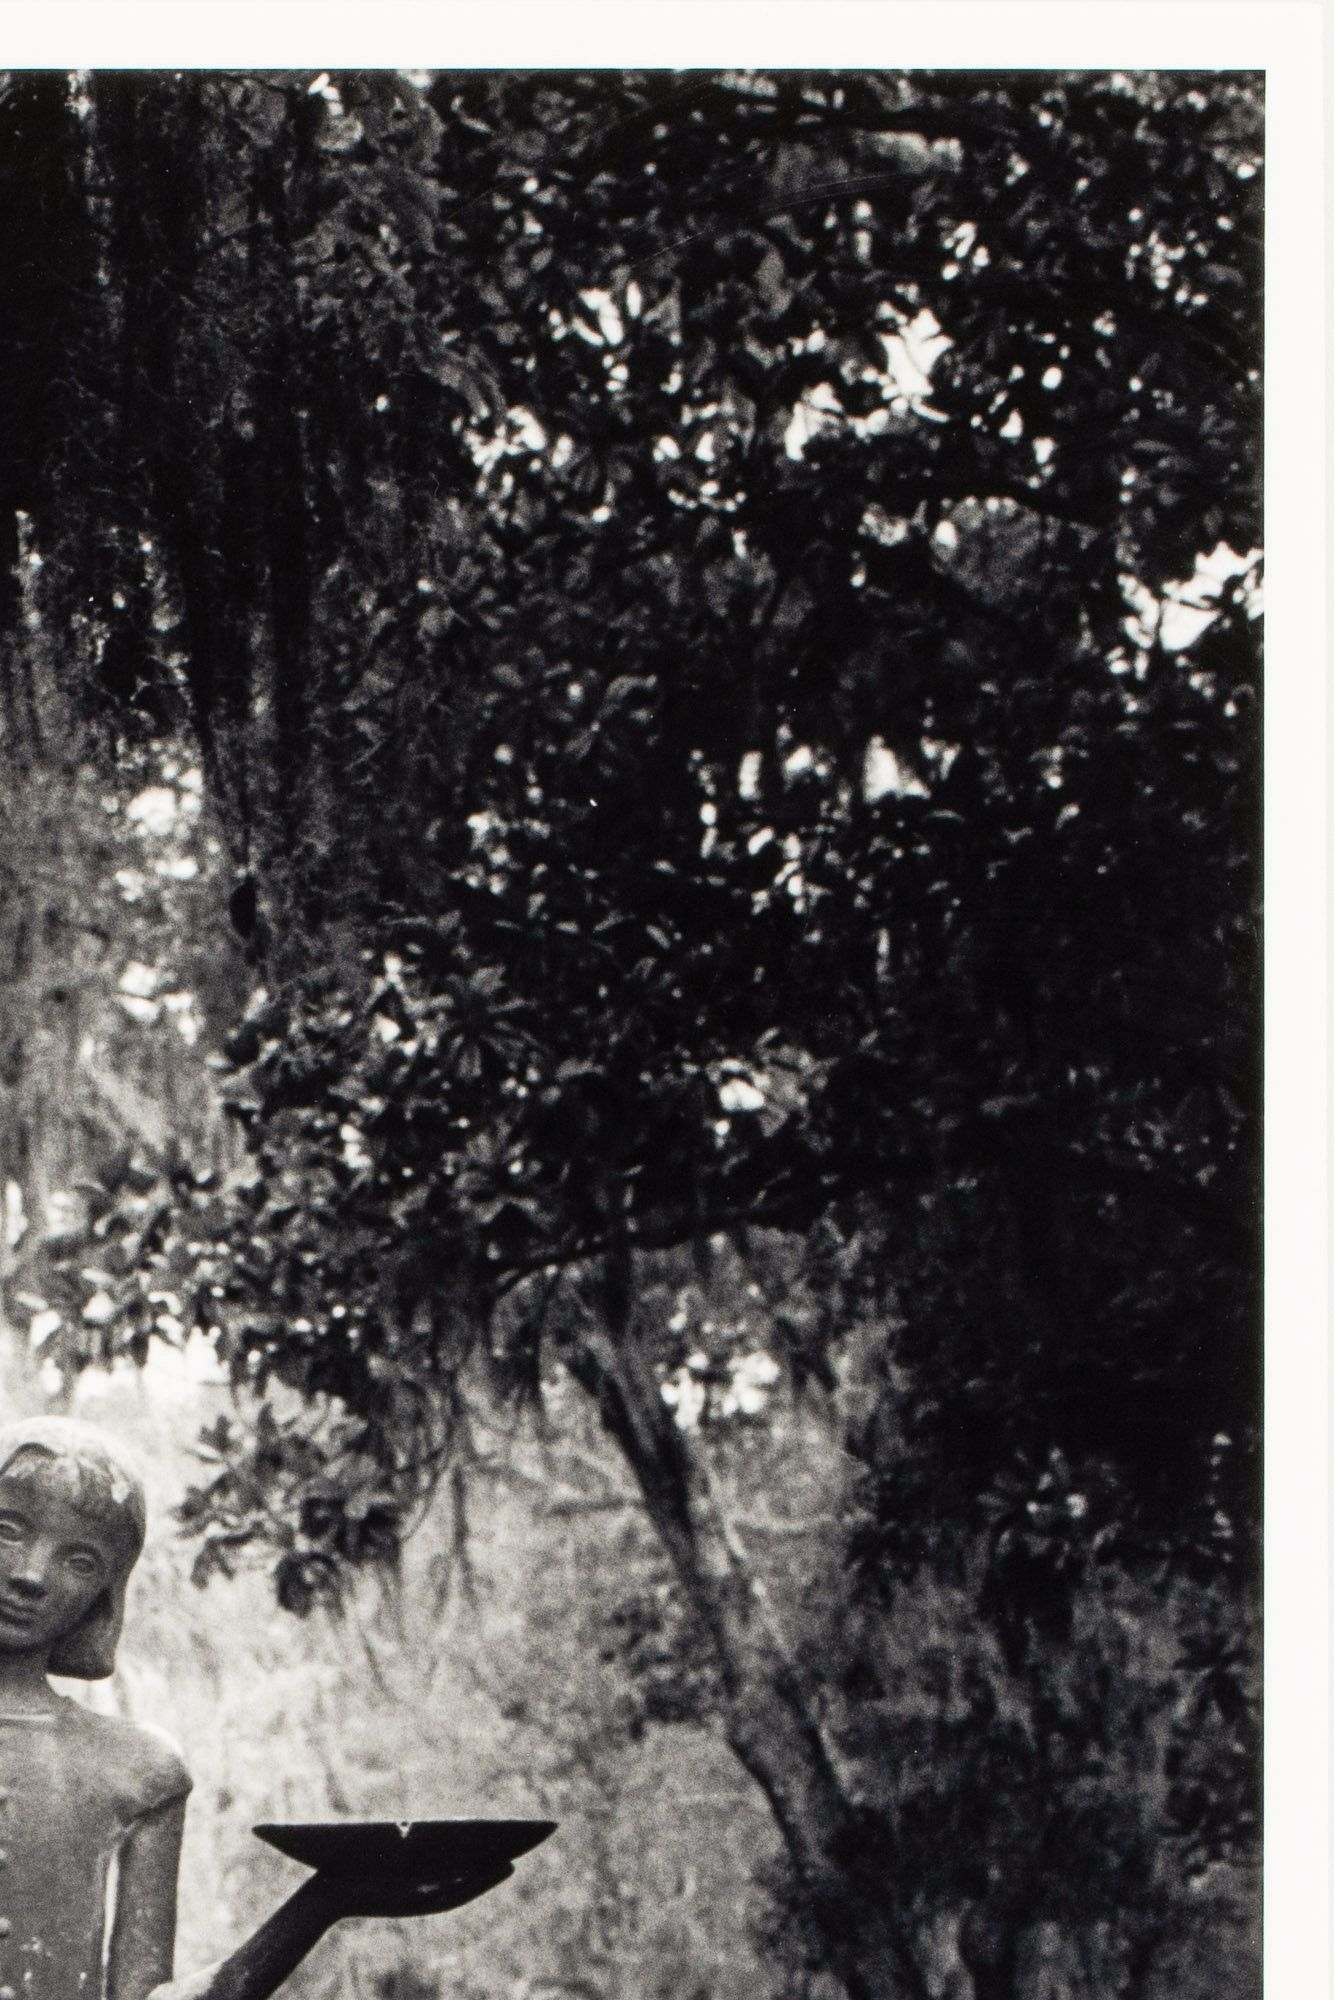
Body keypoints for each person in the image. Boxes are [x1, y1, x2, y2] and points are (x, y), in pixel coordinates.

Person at [0, 1417, 504, 2000]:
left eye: (80, 1561)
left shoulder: (138, 1770)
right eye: (8, 1529)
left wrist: (324, 1901)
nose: (31, 1575)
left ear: (105, 1597)